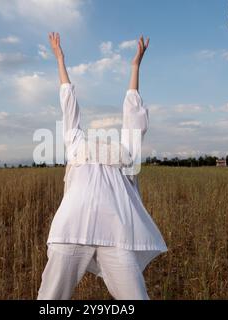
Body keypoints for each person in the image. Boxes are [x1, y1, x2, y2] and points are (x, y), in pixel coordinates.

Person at [37, 33, 167, 300]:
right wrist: (60, 59)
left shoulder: (124, 153)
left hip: (114, 235)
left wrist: (135, 67)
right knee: (50, 299)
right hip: (72, 230)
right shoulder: (76, 146)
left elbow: (133, 114)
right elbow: (68, 103)